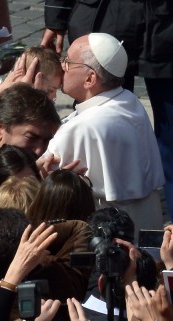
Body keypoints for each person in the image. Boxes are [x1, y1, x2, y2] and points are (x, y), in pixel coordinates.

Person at [41, 0, 173, 221]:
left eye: (68, 63)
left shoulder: (80, 128)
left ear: (90, 78)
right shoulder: (131, 104)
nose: (61, 66)